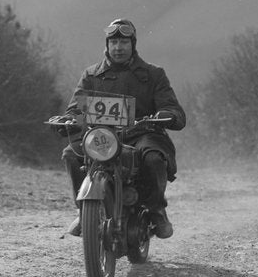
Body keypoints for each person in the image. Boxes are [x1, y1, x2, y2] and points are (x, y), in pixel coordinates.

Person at [53, 18, 186, 238]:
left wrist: (167, 115)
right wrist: (68, 120)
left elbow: (174, 111)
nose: (118, 47)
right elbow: (76, 109)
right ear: (106, 45)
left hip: (142, 134)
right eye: (113, 42)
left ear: (133, 45)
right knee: (70, 154)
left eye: (124, 42)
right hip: (101, 136)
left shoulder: (154, 75)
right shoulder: (91, 75)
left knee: (153, 158)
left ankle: (156, 210)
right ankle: (84, 210)